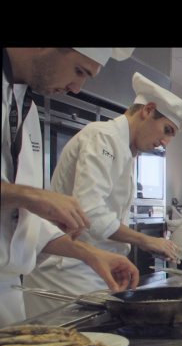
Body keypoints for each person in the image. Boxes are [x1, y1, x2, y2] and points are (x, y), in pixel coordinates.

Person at [23, 72, 182, 315]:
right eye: (166, 130)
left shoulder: (125, 148)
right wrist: (144, 239)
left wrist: (144, 243)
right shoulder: (104, 137)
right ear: (148, 110)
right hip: (68, 271)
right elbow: (91, 213)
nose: (165, 142)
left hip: (95, 268)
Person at [1, 48, 140, 326]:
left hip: (8, 293)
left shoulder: (25, 105)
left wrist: (91, 254)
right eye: (79, 71)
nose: (77, 88)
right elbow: (26, 201)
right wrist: (30, 196)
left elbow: (18, 222)